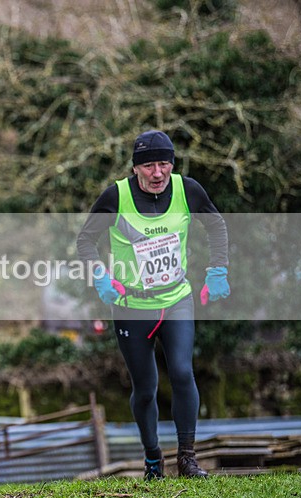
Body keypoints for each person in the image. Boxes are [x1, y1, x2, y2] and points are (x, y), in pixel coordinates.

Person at [76, 130, 230, 479]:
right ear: (135, 168)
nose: (157, 172)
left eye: (164, 163)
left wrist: (217, 270)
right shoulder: (116, 196)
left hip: (176, 299)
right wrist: (100, 275)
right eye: (148, 166)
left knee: (181, 371)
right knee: (145, 388)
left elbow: (217, 225)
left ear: (172, 164)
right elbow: (85, 240)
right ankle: (152, 458)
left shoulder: (188, 189)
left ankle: (187, 458)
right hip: (131, 306)